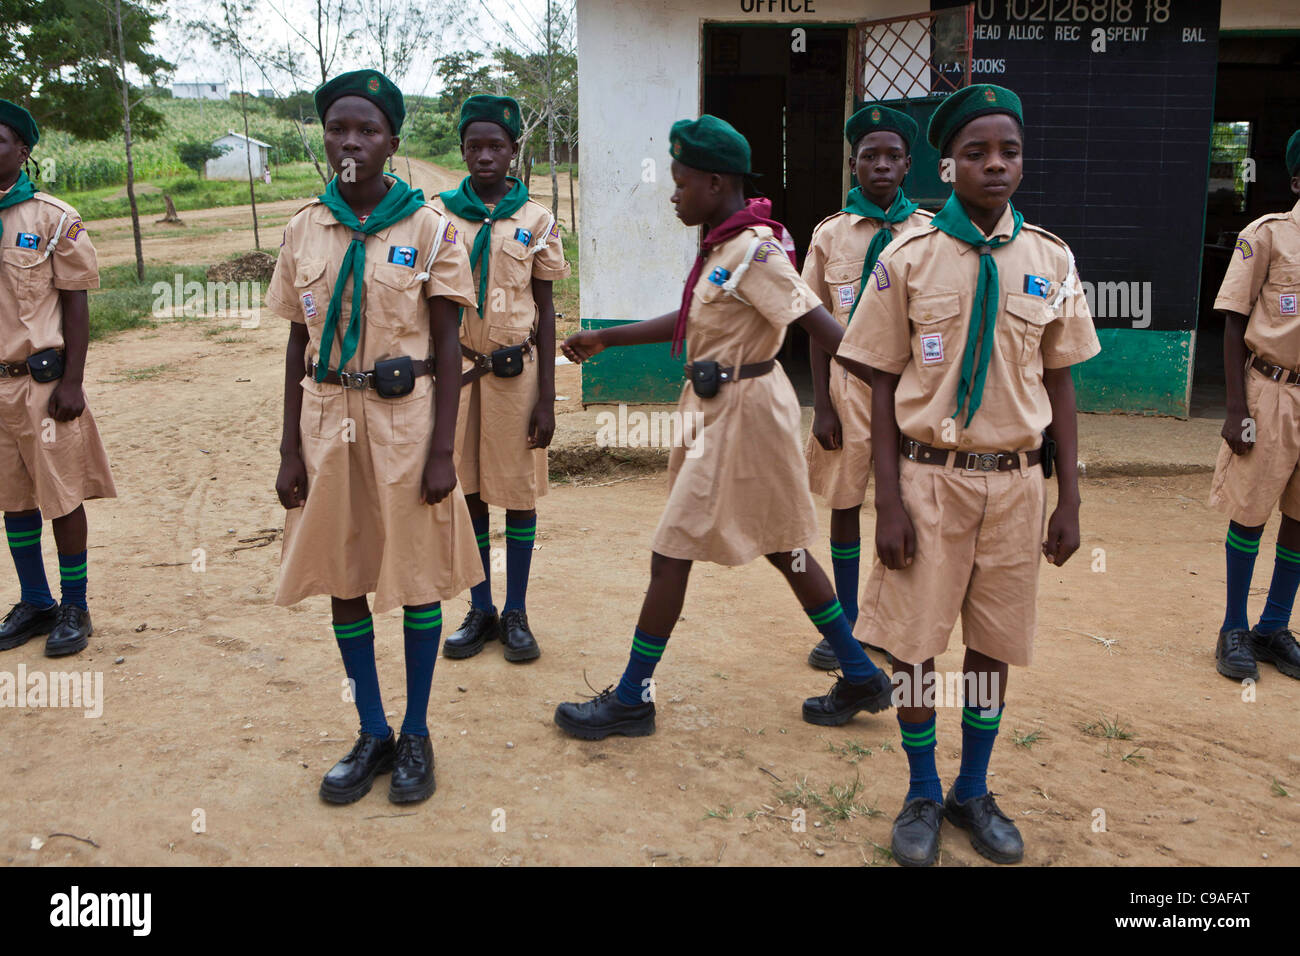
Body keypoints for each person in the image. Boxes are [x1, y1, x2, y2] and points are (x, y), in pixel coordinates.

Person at [553, 115, 893, 741]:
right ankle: (861, 672)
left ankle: (632, 698)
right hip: (719, 406)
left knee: (671, 552)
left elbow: (825, 330)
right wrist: (607, 336)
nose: (673, 192)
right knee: (784, 546)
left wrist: (900, 394)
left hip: (742, 414)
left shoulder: (756, 251)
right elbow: (689, 317)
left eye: (680, 182)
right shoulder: (724, 246)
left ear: (714, 182)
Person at [833, 85, 1100, 866]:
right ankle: (921, 787)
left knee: (992, 643)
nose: (995, 165)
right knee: (916, 647)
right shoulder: (907, 259)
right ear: (948, 164)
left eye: (1009, 150)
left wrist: (1070, 498)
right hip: (928, 481)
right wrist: (887, 502)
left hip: (1017, 484)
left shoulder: (1051, 258)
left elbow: (1061, 383)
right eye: (977, 152)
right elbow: (879, 382)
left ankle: (971, 788)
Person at [265, 70, 482, 805]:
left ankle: (417, 731)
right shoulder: (304, 228)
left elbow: (450, 347)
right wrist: (290, 447)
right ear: (325, 137)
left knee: (417, 577)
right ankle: (371, 729)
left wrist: (445, 449)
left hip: (405, 426)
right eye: (337, 128)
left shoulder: (431, 231)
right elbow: (298, 344)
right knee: (343, 572)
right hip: (328, 423)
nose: (350, 141)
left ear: (392, 141)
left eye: (366, 129)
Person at [432, 94, 570, 664]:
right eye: (474, 146)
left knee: (516, 495)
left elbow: (546, 305)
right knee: (468, 493)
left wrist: (548, 401)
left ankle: (516, 611)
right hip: (459, 371)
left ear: (515, 151)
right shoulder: (438, 216)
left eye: (496, 146)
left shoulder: (536, 221)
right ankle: (480, 606)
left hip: (517, 375)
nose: (484, 155)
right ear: (462, 150)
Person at [802, 103, 933, 670]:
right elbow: (812, 317)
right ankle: (847, 623)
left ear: (908, 166)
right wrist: (821, 407)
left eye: (892, 157)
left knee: (906, 504)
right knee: (846, 501)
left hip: (912, 395)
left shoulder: (930, 232)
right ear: (853, 164)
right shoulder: (831, 236)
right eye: (869, 157)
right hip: (849, 397)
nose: (881, 166)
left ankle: (891, 623)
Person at [0, 98, 116, 658]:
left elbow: (75, 304)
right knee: (13, 499)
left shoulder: (52, 218)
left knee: (62, 496)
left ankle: (75, 605)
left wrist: (73, 381)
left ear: (22, 151)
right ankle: (35, 600)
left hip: (41, 385)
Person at [1207, 128, 1300, 683]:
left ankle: (1273, 626)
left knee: (1299, 516)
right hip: (1270, 391)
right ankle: (1234, 626)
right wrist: (1236, 407)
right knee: (1251, 510)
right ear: (1295, 180)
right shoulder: (1267, 235)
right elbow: (1234, 318)